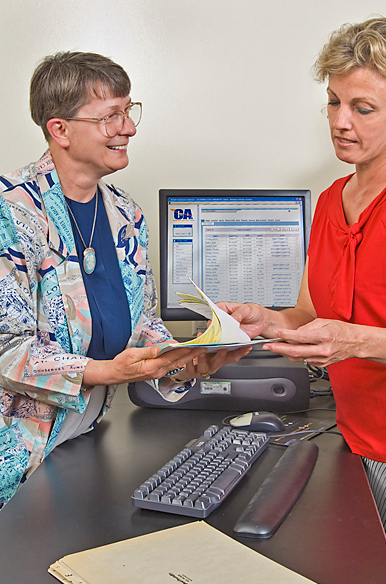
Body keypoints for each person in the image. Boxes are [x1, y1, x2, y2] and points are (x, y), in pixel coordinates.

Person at [219, 17, 386, 584]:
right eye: (332, 102)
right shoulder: (334, 198)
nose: (338, 121)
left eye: (362, 107)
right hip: (355, 429)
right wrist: (265, 320)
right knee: (371, 580)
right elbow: (309, 314)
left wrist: (358, 342)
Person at [0, 51, 248, 509]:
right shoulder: (10, 212)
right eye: (111, 116)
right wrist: (103, 372)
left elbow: (143, 326)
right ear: (60, 129)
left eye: (129, 111)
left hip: (81, 438)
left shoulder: (125, 215)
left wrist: (185, 360)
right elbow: (5, 350)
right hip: (15, 457)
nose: (129, 128)